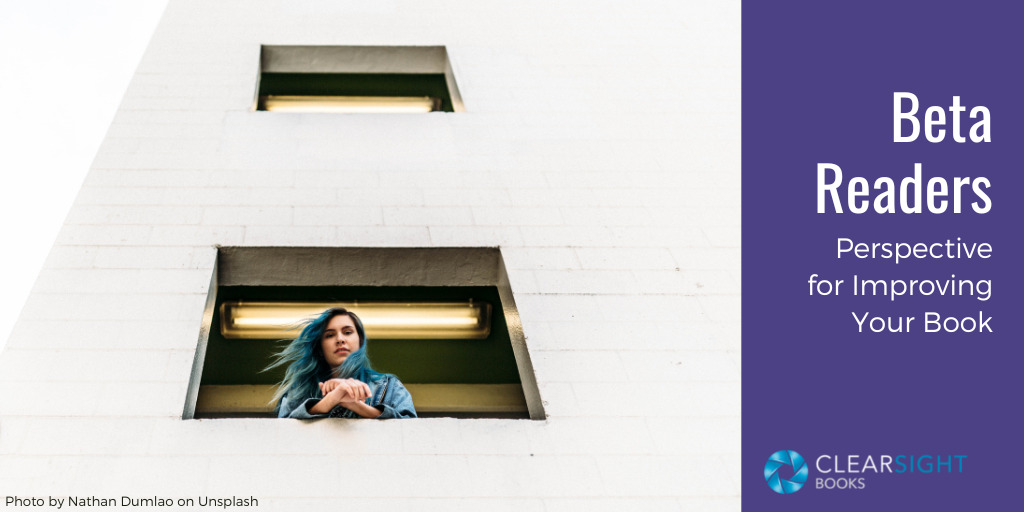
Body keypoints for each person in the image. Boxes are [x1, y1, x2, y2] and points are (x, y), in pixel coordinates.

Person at [268, 307, 416, 419]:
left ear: (361, 340)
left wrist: (354, 404)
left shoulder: (389, 386)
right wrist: (330, 400)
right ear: (320, 348)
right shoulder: (299, 390)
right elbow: (284, 433)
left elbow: (410, 431)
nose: (340, 339)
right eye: (330, 335)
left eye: (347, 332)